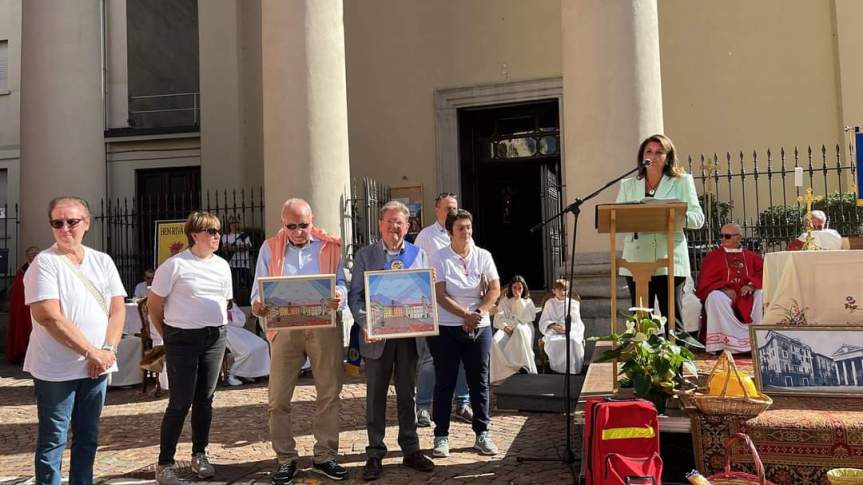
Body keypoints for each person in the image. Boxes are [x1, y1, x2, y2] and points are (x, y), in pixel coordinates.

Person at [24, 197, 126, 484]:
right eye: (58, 222)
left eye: (72, 221)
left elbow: (117, 309)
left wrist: (107, 350)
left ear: (87, 223)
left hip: (98, 364)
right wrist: (90, 351)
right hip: (56, 368)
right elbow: (49, 317)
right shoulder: (44, 263)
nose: (65, 228)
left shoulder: (102, 261)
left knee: (88, 436)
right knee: (53, 439)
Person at [250, 198, 349, 484]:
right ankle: (285, 458)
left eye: (303, 225)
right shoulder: (269, 247)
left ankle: (325, 456)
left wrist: (339, 296)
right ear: (283, 224)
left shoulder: (330, 246)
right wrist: (257, 305)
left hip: (323, 326)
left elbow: (341, 281)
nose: (297, 231)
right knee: (278, 397)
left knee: (329, 393)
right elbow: (258, 288)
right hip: (285, 328)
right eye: (291, 226)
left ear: (311, 221)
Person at [349, 200, 436, 481]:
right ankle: (375, 453)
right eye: (389, 223)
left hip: (408, 337)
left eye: (399, 223)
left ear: (407, 226)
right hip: (377, 337)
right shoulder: (365, 256)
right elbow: (355, 296)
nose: (394, 228)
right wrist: (366, 322)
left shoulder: (418, 254)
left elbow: (424, 293)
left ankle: (410, 449)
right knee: (375, 395)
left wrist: (429, 286)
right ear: (380, 225)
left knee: (407, 394)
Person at [148, 211, 232, 484]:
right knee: (180, 401)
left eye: (218, 231)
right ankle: (165, 463)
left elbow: (225, 300)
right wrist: (168, 335)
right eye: (211, 232)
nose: (217, 236)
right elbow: (154, 304)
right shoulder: (174, 265)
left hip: (214, 337)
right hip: (182, 338)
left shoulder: (222, 265)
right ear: (195, 234)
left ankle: (200, 453)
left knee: (204, 399)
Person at [428, 209, 501, 458]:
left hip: (479, 328)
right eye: (461, 228)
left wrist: (479, 312)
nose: (466, 232)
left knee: (479, 383)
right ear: (450, 232)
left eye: (469, 227)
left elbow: (495, 288)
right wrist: (464, 316)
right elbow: (439, 294)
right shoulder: (439, 257)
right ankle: (441, 436)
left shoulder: (484, 255)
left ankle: (482, 433)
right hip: (447, 328)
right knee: (445, 382)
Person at [615, 134, 705, 330]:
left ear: (668, 157)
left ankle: (675, 361)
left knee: (673, 321)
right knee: (641, 323)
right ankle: (643, 361)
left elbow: (698, 218)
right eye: (649, 151)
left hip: (670, 259)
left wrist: (674, 216)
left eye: (659, 152)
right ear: (642, 156)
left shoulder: (682, 182)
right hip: (637, 260)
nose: (653, 156)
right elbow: (617, 219)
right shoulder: (628, 185)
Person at [413, 191, 472, 427]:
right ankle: (423, 407)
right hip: (434, 307)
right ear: (437, 211)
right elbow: (416, 271)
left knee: (461, 359)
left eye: (455, 207)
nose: (452, 212)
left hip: (459, 310)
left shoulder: (464, 232)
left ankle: (462, 402)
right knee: (429, 360)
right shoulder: (425, 237)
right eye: (447, 208)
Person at [696, 223, 764, 353]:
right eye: (720, 236)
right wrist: (722, 289)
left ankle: (755, 341)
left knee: (761, 294)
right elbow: (705, 282)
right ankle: (723, 343)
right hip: (726, 297)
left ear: (738, 238)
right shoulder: (712, 257)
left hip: (747, 296)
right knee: (714, 297)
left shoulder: (752, 257)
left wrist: (751, 285)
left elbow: (763, 273)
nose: (722, 239)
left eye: (726, 236)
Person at [489, 275, 537, 383]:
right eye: (514, 287)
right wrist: (505, 327)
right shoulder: (504, 301)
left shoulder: (528, 301)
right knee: (495, 340)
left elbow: (527, 318)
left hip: (523, 327)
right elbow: (499, 317)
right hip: (507, 327)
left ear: (523, 288)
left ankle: (522, 366)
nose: (517, 290)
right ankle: (504, 373)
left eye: (519, 288)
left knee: (519, 330)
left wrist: (518, 301)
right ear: (511, 288)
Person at [537, 279, 585, 374]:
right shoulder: (549, 303)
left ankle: (572, 369)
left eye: (565, 289)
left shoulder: (574, 303)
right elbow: (544, 320)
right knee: (553, 341)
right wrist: (553, 325)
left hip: (570, 330)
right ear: (554, 291)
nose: (563, 292)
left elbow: (576, 321)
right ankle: (557, 369)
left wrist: (567, 328)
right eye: (560, 290)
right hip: (554, 331)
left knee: (572, 341)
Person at [6, 245, 39, 364]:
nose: (35, 255)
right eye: (32, 253)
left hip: (40, 305)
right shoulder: (22, 272)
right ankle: (23, 354)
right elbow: (18, 293)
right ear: (27, 256)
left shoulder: (44, 268)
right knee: (24, 329)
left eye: (37, 253)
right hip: (25, 308)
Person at [225, 301, 270, 385]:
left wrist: (230, 313)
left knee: (262, 345)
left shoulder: (231, 304)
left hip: (239, 331)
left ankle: (252, 373)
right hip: (226, 331)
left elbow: (241, 321)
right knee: (247, 350)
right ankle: (234, 374)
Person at [221, 215, 253, 304]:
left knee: (249, 284)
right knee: (233, 285)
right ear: (229, 225)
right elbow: (226, 249)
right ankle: (234, 304)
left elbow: (247, 247)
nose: (234, 225)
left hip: (244, 263)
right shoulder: (225, 236)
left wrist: (233, 247)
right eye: (232, 223)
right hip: (233, 263)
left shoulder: (244, 235)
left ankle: (252, 302)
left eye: (236, 223)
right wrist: (239, 247)